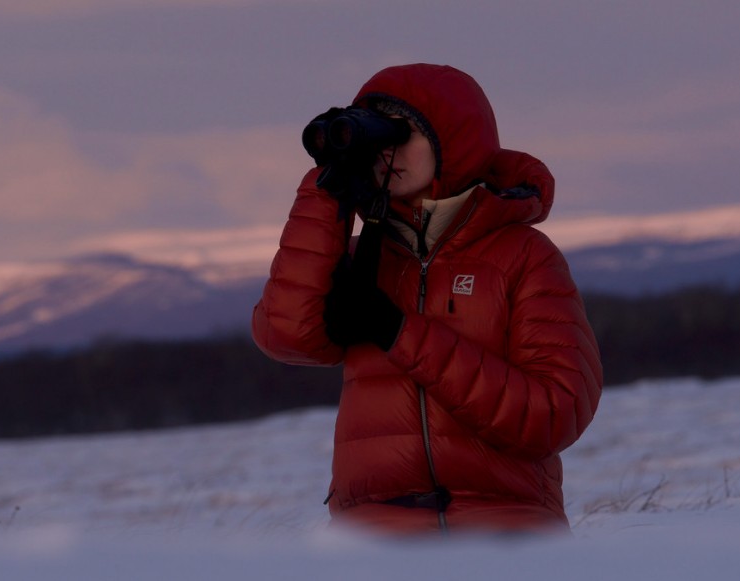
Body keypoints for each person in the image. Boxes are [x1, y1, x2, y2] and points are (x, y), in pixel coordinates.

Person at [252, 63, 603, 536]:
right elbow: (285, 336)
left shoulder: (523, 257)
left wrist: (398, 332)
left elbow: (554, 414)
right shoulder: (360, 259)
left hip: (505, 534)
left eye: (405, 132)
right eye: (377, 136)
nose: (387, 150)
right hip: (376, 538)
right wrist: (327, 192)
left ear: (454, 139)